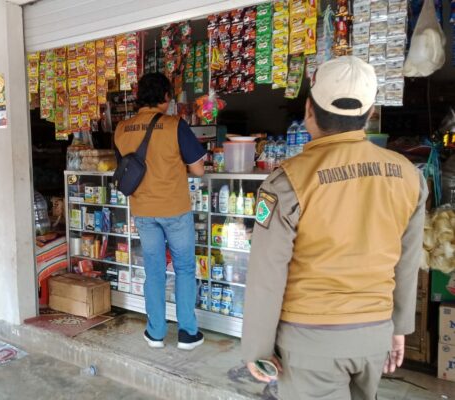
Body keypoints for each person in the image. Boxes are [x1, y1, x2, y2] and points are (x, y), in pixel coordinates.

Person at [242, 56, 427, 400]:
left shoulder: (287, 183)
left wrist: (257, 348)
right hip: (374, 336)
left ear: (309, 110)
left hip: (310, 342)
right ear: (370, 112)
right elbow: (407, 259)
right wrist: (399, 328)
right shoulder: (409, 176)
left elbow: (267, 273)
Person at [114, 72, 207, 350]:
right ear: (165, 97)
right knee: (184, 268)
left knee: (153, 271)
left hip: (143, 209)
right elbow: (198, 169)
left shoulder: (122, 128)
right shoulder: (174, 125)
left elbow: (125, 167)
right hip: (174, 209)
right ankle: (188, 333)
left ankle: (155, 332)